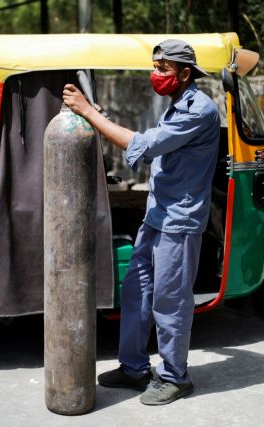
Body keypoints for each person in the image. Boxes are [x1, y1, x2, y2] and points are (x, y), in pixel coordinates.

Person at [63, 39, 220, 405]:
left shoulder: (199, 110)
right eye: (155, 66)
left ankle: (175, 377)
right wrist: (97, 116)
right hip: (156, 214)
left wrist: (90, 113)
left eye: (163, 69)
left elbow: (143, 146)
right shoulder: (176, 104)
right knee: (135, 292)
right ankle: (134, 368)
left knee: (170, 302)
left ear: (184, 73)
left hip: (178, 221)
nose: (156, 75)